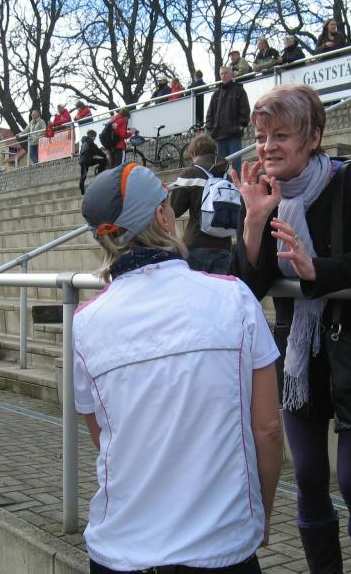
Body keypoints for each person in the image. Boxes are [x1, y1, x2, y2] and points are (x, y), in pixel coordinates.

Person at [74, 162, 283, 573]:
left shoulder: (85, 322)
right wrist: (261, 516)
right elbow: (269, 429)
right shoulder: (234, 298)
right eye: (169, 205)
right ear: (162, 217)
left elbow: (104, 434)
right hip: (222, 546)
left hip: (121, 549)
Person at [230, 85, 351, 574]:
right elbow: (245, 288)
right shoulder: (264, 195)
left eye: (281, 136)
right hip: (298, 363)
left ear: (313, 137)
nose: (267, 148)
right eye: (262, 137)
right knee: (307, 477)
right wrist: (254, 223)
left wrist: (318, 270)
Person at [170, 134, 232, 273]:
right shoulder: (228, 178)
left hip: (196, 245)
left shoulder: (191, 174)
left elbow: (174, 210)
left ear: (193, 153)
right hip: (224, 247)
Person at [205, 66, 250, 174]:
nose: (223, 75)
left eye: (225, 73)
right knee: (220, 166)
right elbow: (210, 113)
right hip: (219, 135)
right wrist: (211, 129)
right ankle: (222, 183)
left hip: (234, 134)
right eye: (221, 74)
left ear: (231, 75)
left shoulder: (239, 90)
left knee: (236, 163)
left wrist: (241, 125)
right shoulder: (216, 94)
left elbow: (245, 109)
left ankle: (236, 183)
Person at [78, 129, 108, 194]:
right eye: (95, 137)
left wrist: (98, 150)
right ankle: (99, 175)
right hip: (87, 160)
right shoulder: (90, 141)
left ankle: (82, 192)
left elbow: (91, 150)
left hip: (82, 160)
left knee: (83, 176)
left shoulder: (84, 142)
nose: (95, 138)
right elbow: (96, 150)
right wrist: (104, 155)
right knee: (103, 161)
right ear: (92, 136)